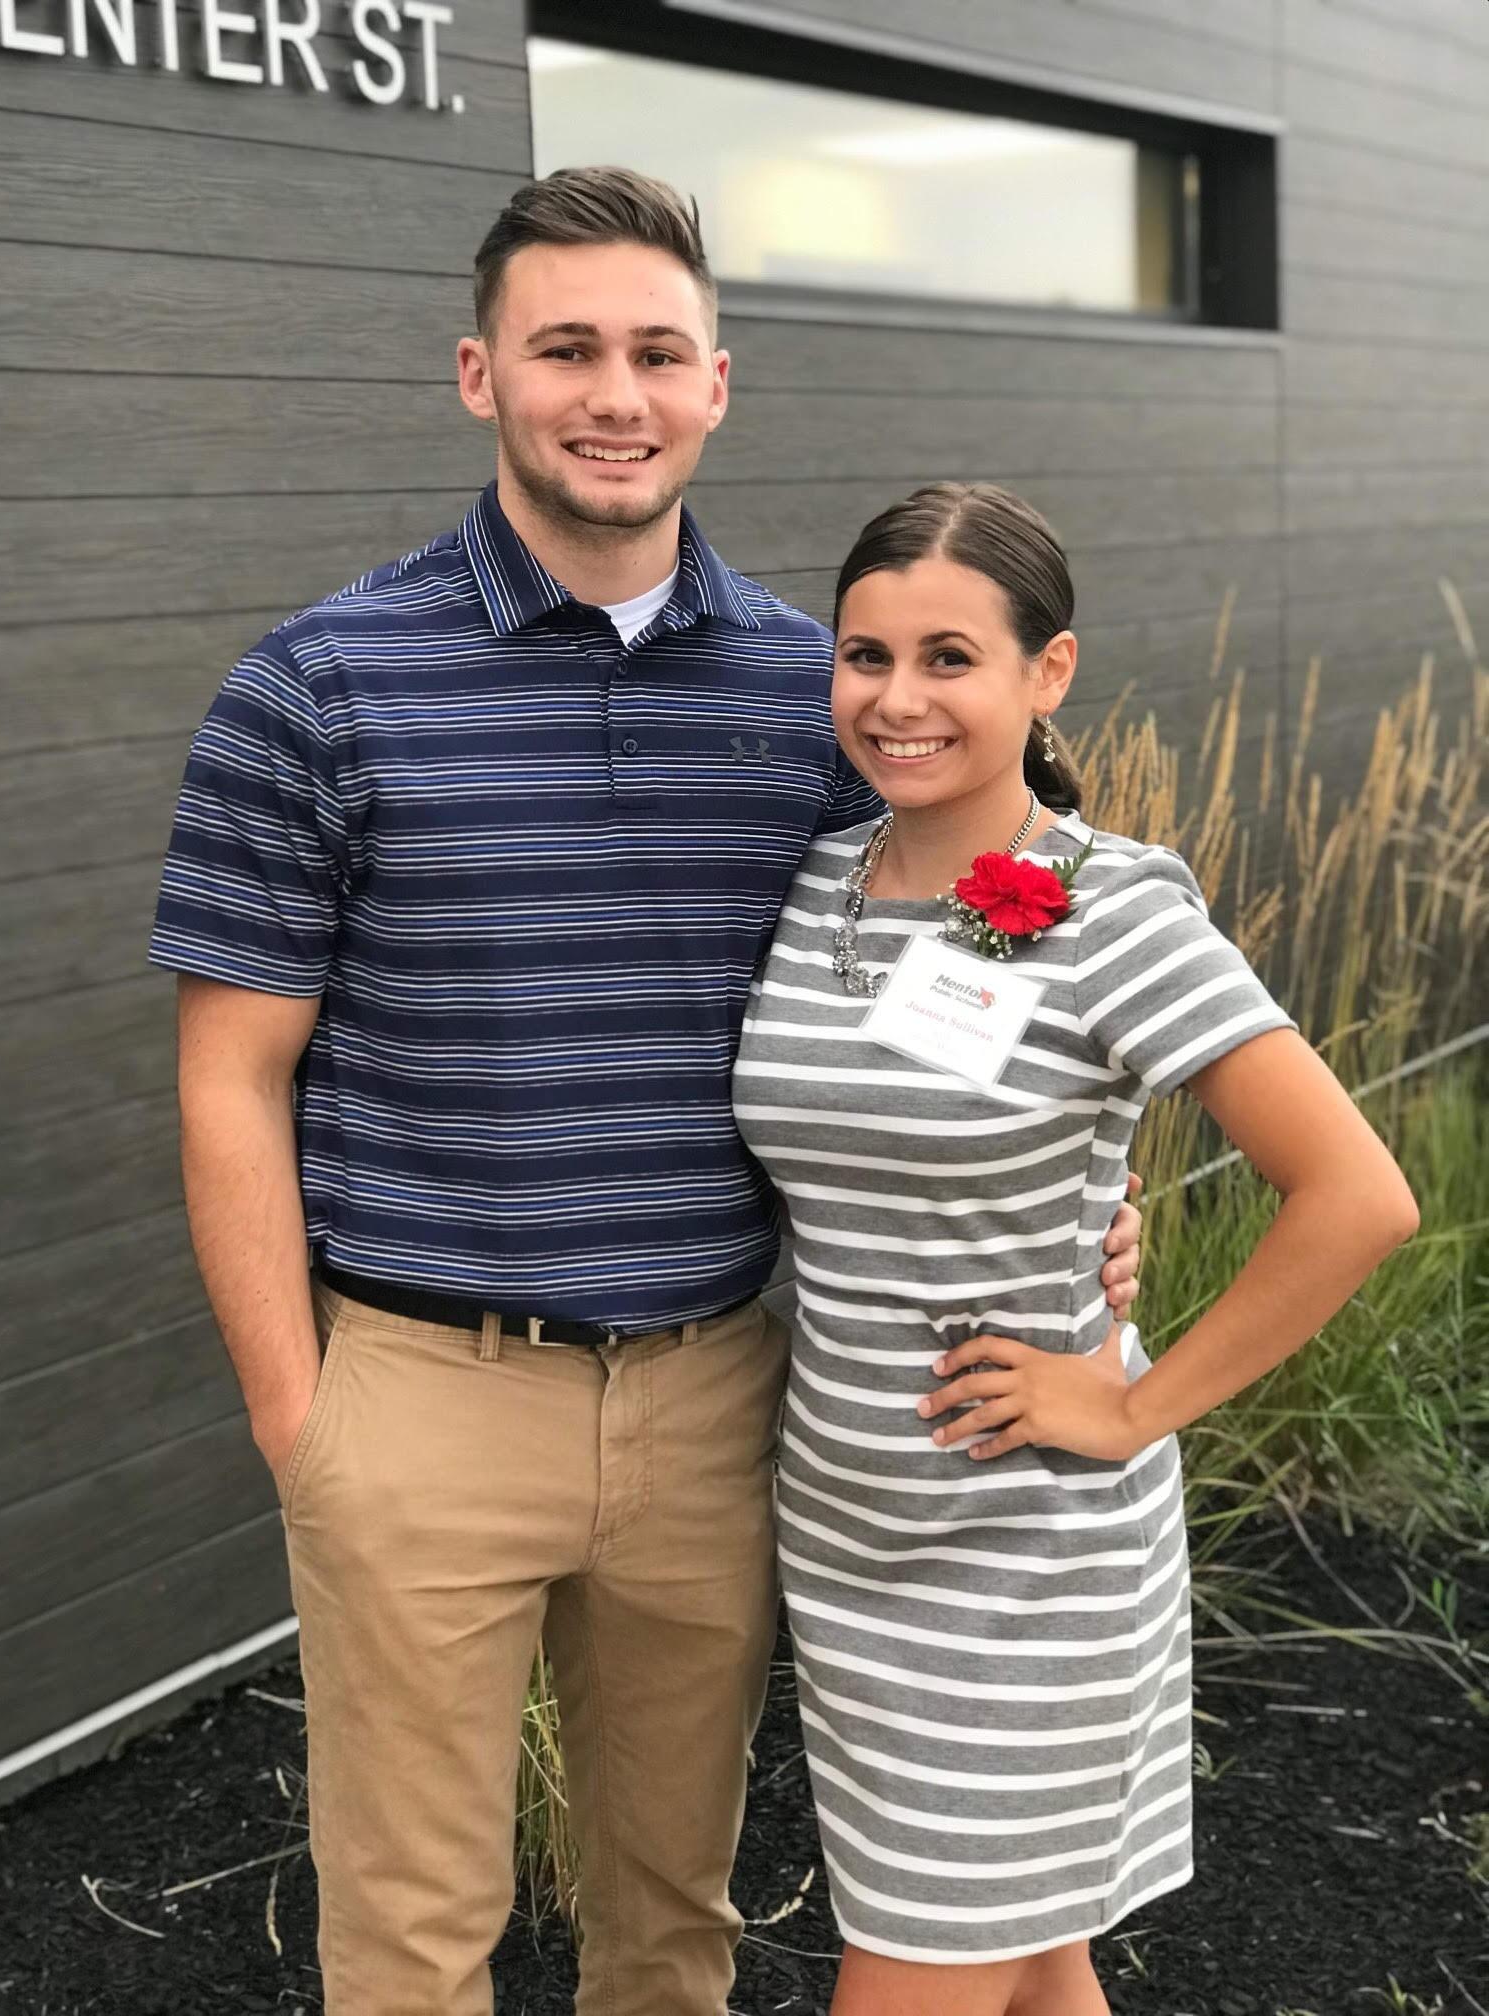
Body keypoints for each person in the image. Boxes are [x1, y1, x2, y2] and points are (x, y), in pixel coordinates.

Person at [149, 174, 1142, 2015]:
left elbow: (973, 980)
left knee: (676, 1933)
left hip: (721, 1401)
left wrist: (1084, 1199)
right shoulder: (318, 690)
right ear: (480, 375)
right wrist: (306, 1424)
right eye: (567, 350)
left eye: (658, 354)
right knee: (411, 1947)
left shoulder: (818, 696)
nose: (616, 395)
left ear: (716, 386)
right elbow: (231, 1080)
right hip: (424, 1396)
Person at [732, 481, 1420, 2016]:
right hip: (852, 1535)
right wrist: (1080, 1212)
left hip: (1027, 1554)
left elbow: (1356, 1194)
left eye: (949, 658)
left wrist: (1129, 1404)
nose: (897, 700)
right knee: (1039, 1971)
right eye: (864, 656)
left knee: (933, 1963)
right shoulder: (821, 884)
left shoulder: (1110, 909)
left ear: (1049, 672)